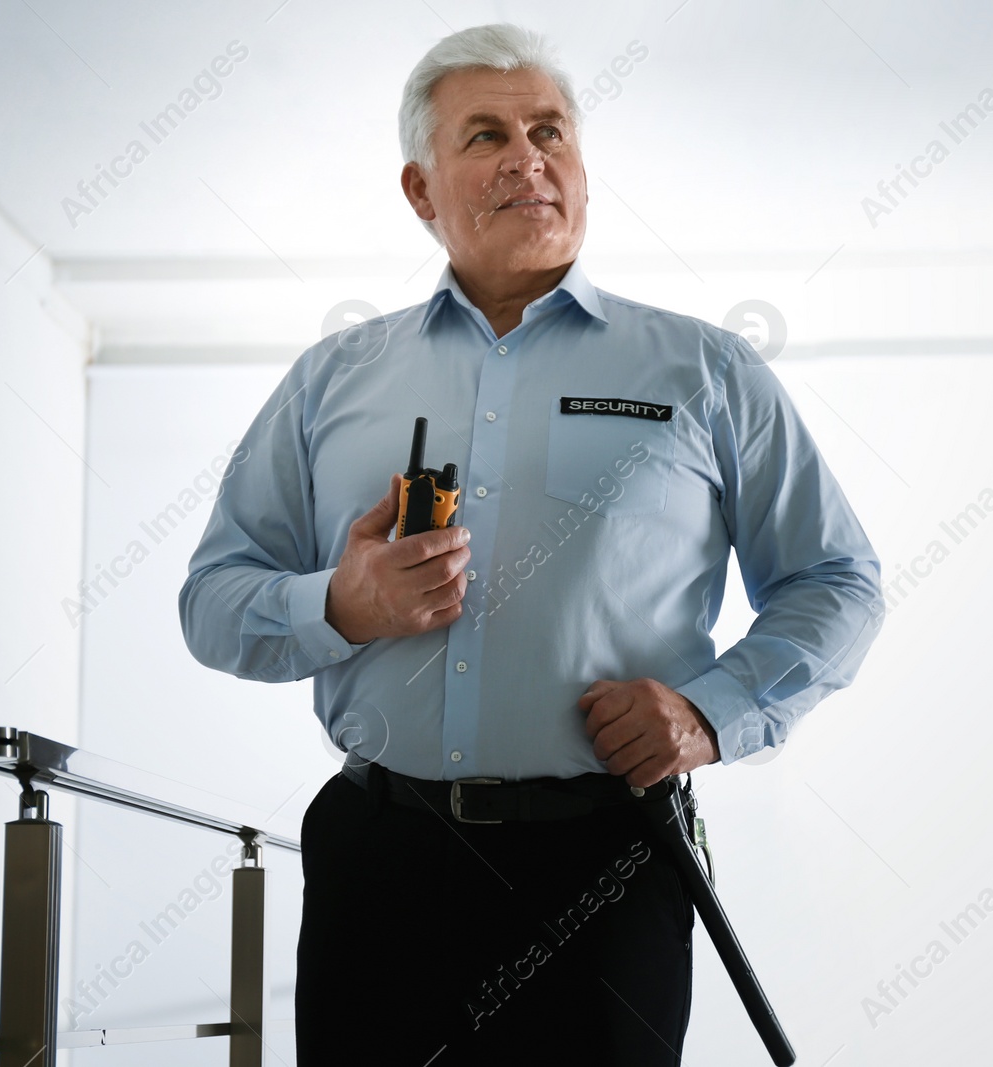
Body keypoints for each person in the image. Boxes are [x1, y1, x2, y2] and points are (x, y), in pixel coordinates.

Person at [179, 22, 883, 1067]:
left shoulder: (705, 370)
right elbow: (213, 601)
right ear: (421, 191)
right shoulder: (332, 380)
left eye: (548, 130)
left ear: (584, 175)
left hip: (607, 860)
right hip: (382, 861)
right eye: (486, 136)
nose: (527, 157)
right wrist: (343, 603)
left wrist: (709, 712)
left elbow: (836, 579)